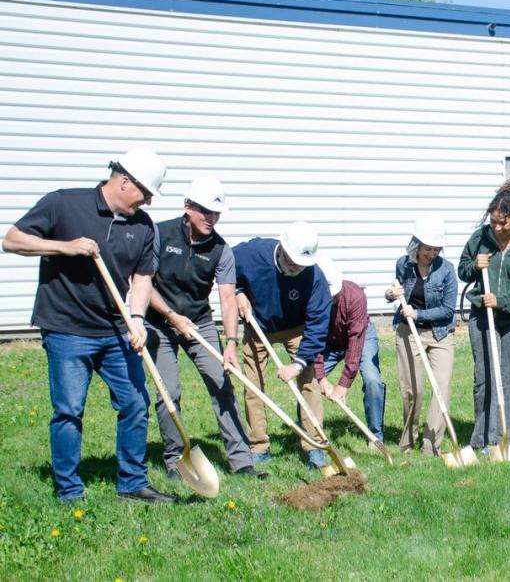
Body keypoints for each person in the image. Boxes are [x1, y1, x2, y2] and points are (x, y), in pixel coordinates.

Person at [2, 148, 177, 503]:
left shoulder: (143, 227)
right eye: (145, 193)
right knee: (69, 409)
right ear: (125, 182)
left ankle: (132, 483)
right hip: (67, 329)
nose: (148, 202)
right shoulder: (63, 203)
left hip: (116, 330)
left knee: (134, 403)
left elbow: (142, 278)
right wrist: (63, 247)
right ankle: (69, 491)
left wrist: (139, 319)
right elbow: (12, 240)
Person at [145, 177, 265, 480]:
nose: (212, 219)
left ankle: (242, 460)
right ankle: (175, 460)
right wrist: (172, 317)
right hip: (159, 321)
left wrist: (231, 343)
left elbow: (227, 298)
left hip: (198, 322)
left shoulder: (221, 249)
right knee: (167, 391)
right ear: (188, 207)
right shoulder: (159, 234)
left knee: (222, 385)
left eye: (217, 214)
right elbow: (143, 284)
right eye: (206, 212)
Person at [234, 222, 332, 470]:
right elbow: (224, 265)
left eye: (300, 263)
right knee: (252, 385)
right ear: (282, 248)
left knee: (309, 383)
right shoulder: (251, 253)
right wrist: (238, 290)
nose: (295, 267)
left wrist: (298, 365)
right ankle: (258, 446)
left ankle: (315, 446)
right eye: (291, 260)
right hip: (258, 326)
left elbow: (318, 324)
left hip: (296, 328)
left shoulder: (314, 276)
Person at [458, 181, 510, 453]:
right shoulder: (481, 237)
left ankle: (504, 436)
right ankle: (481, 440)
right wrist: (474, 265)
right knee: (485, 378)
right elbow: (462, 270)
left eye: (503, 223)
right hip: (482, 317)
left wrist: (502, 301)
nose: (497, 228)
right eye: (493, 222)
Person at [385, 218, 458, 456]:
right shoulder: (403, 266)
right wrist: (390, 294)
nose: (432, 253)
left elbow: (448, 309)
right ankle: (408, 439)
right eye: (428, 248)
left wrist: (417, 313)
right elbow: (394, 294)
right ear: (416, 244)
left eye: (436, 249)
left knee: (442, 387)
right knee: (411, 389)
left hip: (440, 333)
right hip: (408, 332)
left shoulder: (446, 270)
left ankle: (431, 443)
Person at [314, 257, 386, 444]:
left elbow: (355, 343)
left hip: (361, 336)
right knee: (308, 381)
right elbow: (313, 339)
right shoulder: (311, 299)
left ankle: (376, 436)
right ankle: (311, 436)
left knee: (372, 380)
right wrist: (321, 378)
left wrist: (343, 384)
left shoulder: (355, 296)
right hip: (328, 341)